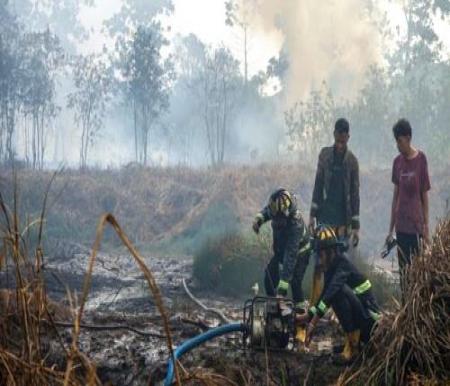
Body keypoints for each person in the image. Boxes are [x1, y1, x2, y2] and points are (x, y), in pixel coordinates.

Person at [297, 225, 381, 364]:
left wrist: (312, 324)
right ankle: (352, 342)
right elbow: (323, 297)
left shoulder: (343, 264)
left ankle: (353, 348)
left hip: (370, 323)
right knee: (332, 293)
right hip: (361, 318)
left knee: (338, 291)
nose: (319, 259)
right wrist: (306, 316)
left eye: (320, 254)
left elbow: (330, 293)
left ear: (330, 251)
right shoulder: (331, 268)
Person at [387, 119, 431, 296]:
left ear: (408, 138)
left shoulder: (421, 160)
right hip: (402, 227)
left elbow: (424, 195)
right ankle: (406, 313)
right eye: (396, 141)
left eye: (400, 141)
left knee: (417, 274)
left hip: (416, 228)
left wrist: (426, 227)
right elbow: (395, 197)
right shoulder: (397, 162)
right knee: (404, 275)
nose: (398, 145)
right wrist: (390, 230)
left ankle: (416, 314)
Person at [252, 188, 312, 311]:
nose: (277, 222)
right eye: (275, 218)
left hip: (300, 253)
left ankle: (300, 314)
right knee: (269, 276)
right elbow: (267, 212)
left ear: (286, 213)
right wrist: (258, 220)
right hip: (281, 251)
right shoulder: (276, 207)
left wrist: (281, 292)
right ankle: (275, 308)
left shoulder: (296, 224)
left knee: (295, 282)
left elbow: (290, 258)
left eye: (279, 219)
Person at [309, 118, 360, 249]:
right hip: (324, 218)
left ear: (348, 137)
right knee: (321, 257)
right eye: (338, 141)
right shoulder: (324, 155)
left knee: (339, 259)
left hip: (343, 221)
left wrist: (356, 227)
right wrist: (311, 216)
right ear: (334, 134)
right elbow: (318, 185)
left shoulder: (352, 161)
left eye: (343, 142)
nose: (340, 145)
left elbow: (355, 194)